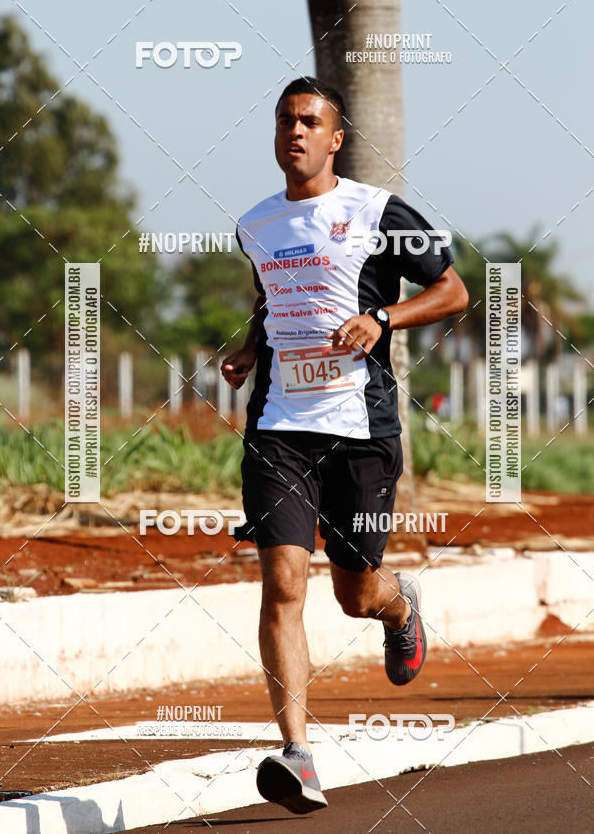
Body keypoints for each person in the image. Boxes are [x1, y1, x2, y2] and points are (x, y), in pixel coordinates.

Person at [221, 77, 468, 814]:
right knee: (284, 584)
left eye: (309, 122)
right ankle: (297, 754)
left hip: (361, 432)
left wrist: (384, 320)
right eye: (284, 122)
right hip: (279, 429)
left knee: (354, 591)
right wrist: (247, 347)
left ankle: (398, 610)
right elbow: (273, 301)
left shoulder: (377, 211)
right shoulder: (255, 225)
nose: (294, 132)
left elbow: (454, 291)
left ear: (335, 138)